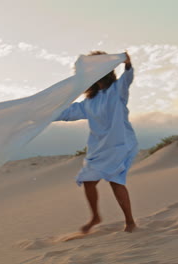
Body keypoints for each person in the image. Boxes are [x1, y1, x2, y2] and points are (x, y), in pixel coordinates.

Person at [54, 51, 138, 233]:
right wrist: (44, 115)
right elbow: (68, 113)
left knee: (115, 181)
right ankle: (95, 217)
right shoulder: (90, 101)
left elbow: (128, 78)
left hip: (119, 144)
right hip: (99, 147)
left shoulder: (117, 90)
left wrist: (128, 64)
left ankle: (130, 222)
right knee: (88, 181)